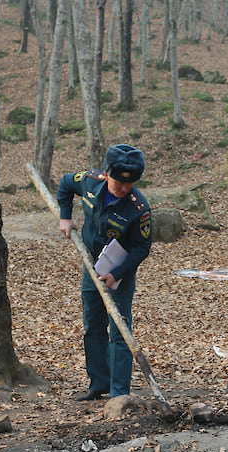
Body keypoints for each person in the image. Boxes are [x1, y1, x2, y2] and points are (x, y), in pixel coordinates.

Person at [57, 144, 153, 400]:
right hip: (91, 264)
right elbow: (66, 185)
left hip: (119, 273)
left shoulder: (138, 209)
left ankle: (119, 393)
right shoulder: (90, 182)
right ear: (107, 173)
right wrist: (65, 217)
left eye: (129, 184)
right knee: (92, 326)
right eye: (118, 182)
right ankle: (98, 383)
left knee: (119, 330)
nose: (123, 188)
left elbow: (141, 247)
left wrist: (117, 273)